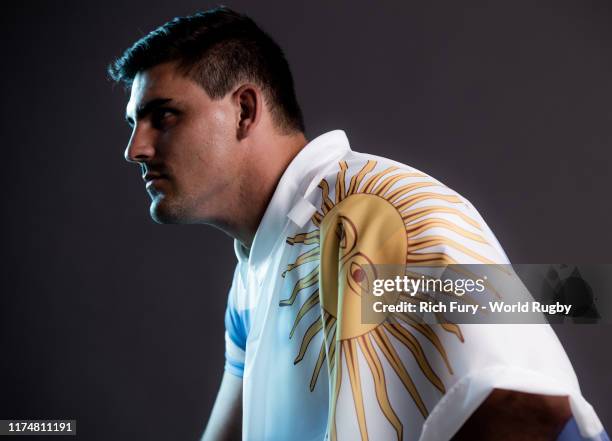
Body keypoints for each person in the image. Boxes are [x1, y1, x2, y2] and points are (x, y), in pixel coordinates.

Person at [108, 7, 607, 441]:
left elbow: (530, 400)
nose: (136, 149)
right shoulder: (256, 273)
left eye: (164, 116)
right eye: (134, 123)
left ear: (243, 110)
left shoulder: (374, 212)